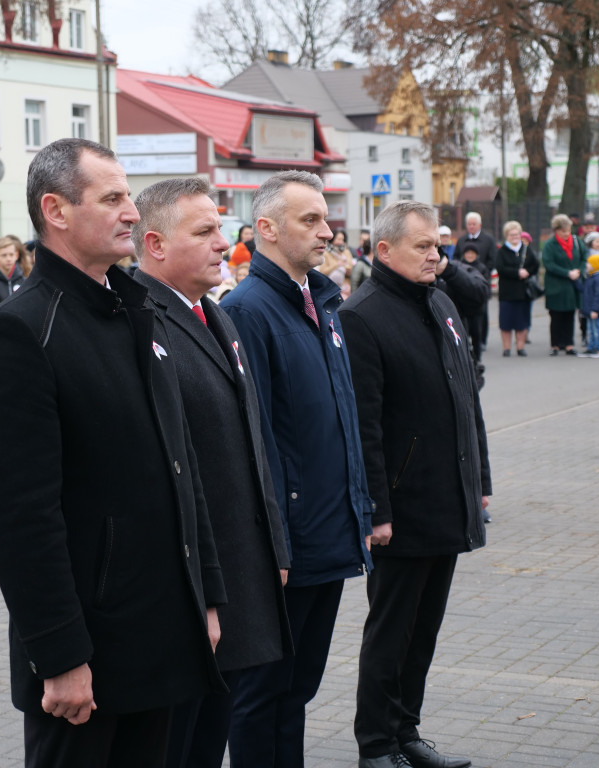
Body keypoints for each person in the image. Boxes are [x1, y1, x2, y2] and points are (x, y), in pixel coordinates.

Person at [0, 138, 226, 768]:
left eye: (129, 196)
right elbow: (18, 515)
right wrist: (58, 656)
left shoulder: (134, 312)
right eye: (112, 198)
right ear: (55, 210)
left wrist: (208, 595)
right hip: (86, 659)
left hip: (159, 632)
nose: (132, 212)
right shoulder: (19, 333)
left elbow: (180, 465)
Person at [131, 178, 292, 768]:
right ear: (154, 243)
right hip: (192, 588)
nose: (225, 243)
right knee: (177, 748)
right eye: (204, 232)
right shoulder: (139, 322)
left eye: (221, 228)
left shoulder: (216, 316)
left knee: (208, 742)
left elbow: (252, 442)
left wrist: (274, 543)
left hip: (238, 575)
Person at [220, 170, 373, 767]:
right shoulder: (249, 311)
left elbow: (339, 422)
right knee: (261, 693)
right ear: (266, 228)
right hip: (287, 546)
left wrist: (360, 511)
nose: (326, 229)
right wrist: (275, 541)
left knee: (298, 689)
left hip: (329, 534)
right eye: (309, 219)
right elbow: (252, 442)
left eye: (325, 216)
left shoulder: (323, 303)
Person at [339, 200, 489, 768]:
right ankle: (375, 744)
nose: (436, 255)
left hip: (447, 498)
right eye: (423, 246)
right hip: (400, 508)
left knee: (423, 632)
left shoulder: (441, 302)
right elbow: (365, 426)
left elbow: (464, 401)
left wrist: (479, 480)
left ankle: (406, 733)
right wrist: (377, 509)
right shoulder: (363, 314)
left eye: (437, 244)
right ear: (383, 251)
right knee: (391, 630)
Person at [541, 213, 585, 355]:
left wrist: (579, 270)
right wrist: (567, 273)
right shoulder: (549, 245)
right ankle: (555, 345)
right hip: (556, 285)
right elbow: (548, 264)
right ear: (556, 231)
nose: (567, 233)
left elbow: (585, 258)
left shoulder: (577, 241)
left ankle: (569, 344)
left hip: (572, 286)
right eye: (563, 231)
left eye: (568, 230)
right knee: (556, 316)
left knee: (570, 315)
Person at [494, 220, 540, 357]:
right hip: (507, 292)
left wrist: (527, 272)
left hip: (523, 292)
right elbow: (500, 268)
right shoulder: (502, 251)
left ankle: (520, 347)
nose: (514, 237)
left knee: (522, 321)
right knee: (506, 322)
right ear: (506, 236)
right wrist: (516, 272)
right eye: (511, 235)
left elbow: (535, 265)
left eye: (517, 234)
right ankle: (506, 348)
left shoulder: (526, 249)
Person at [454, 212, 496, 348]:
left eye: (474, 224)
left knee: (482, 313)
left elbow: (493, 259)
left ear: (480, 225)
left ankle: (481, 340)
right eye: (469, 224)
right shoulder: (461, 240)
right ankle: (466, 339)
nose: (471, 227)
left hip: (481, 281)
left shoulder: (488, 240)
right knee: (463, 312)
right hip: (463, 282)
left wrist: (482, 271)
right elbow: (455, 259)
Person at [579, 248, 599, 358]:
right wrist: (576, 282)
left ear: (595, 265)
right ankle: (591, 347)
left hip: (595, 310)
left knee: (596, 329)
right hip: (589, 309)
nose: (587, 265)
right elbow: (584, 290)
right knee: (591, 329)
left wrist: (595, 309)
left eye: (589, 263)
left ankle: (598, 349)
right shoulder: (591, 277)